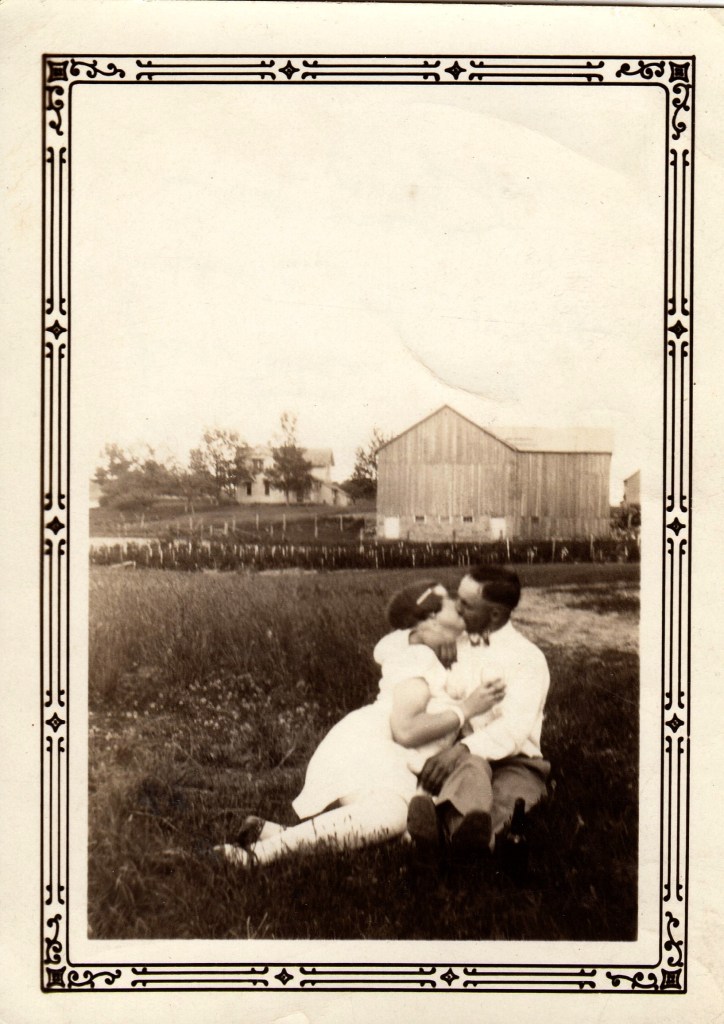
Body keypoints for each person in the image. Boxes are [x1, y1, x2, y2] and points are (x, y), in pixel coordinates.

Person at [214, 580, 504, 868]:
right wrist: (466, 709)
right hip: (371, 745)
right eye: (454, 602)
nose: (462, 606)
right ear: (430, 617)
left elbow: (391, 642)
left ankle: (272, 833)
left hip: (397, 758)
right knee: (391, 815)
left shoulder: (442, 650)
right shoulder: (417, 655)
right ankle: (251, 857)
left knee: (400, 834)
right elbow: (405, 730)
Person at [402, 565, 551, 857]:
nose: (456, 608)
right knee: (471, 774)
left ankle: (446, 837)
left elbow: (512, 731)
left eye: (467, 605)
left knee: (503, 801)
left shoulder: (528, 658)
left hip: (516, 761)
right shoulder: (453, 641)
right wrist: (417, 640)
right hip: (463, 759)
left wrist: (460, 750)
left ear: (495, 615)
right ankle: (464, 843)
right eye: (458, 598)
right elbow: (391, 647)